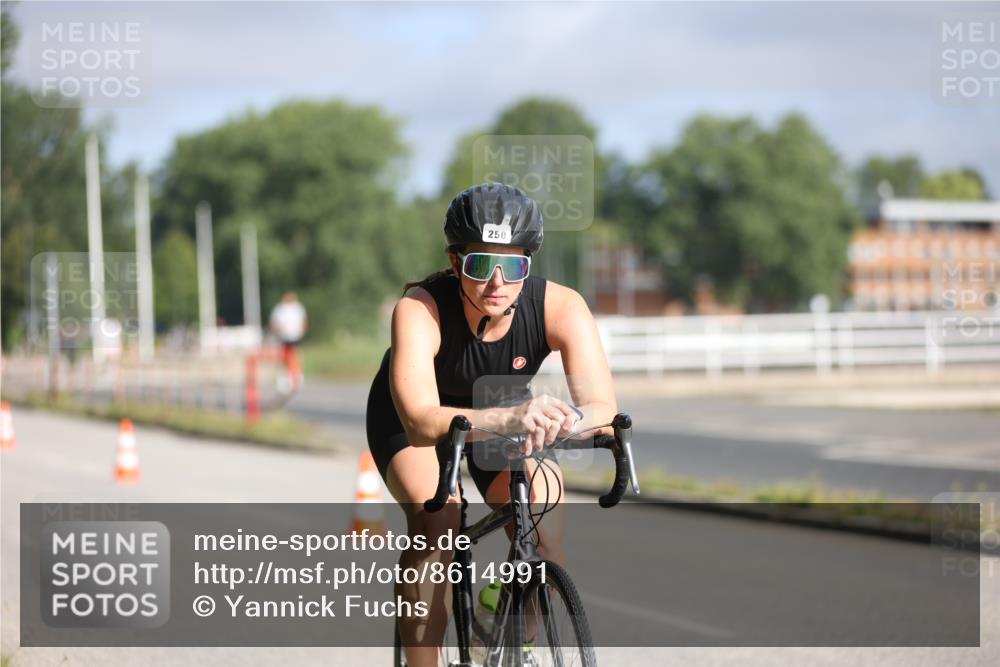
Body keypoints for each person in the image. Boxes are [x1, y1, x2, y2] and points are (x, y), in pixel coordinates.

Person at [365, 183, 617, 666]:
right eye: (481, 264)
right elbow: (419, 420)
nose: (497, 281)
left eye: (513, 265)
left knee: (546, 506)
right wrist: (509, 417)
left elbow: (602, 403)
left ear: (529, 264)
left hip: (499, 408)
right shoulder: (419, 309)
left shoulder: (561, 307)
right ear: (456, 262)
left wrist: (568, 422)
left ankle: (507, 631)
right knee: (437, 522)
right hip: (416, 415)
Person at [268, 292, 308, 389]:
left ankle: (296, 375)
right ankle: (286, 376)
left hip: (295, 336)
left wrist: (302, 330)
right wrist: (277, 331)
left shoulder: (298, 308)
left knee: (294, 355)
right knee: (284, 356)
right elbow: (274, 322)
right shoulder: (280, 308)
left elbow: (303, 321)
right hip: (283, 336)